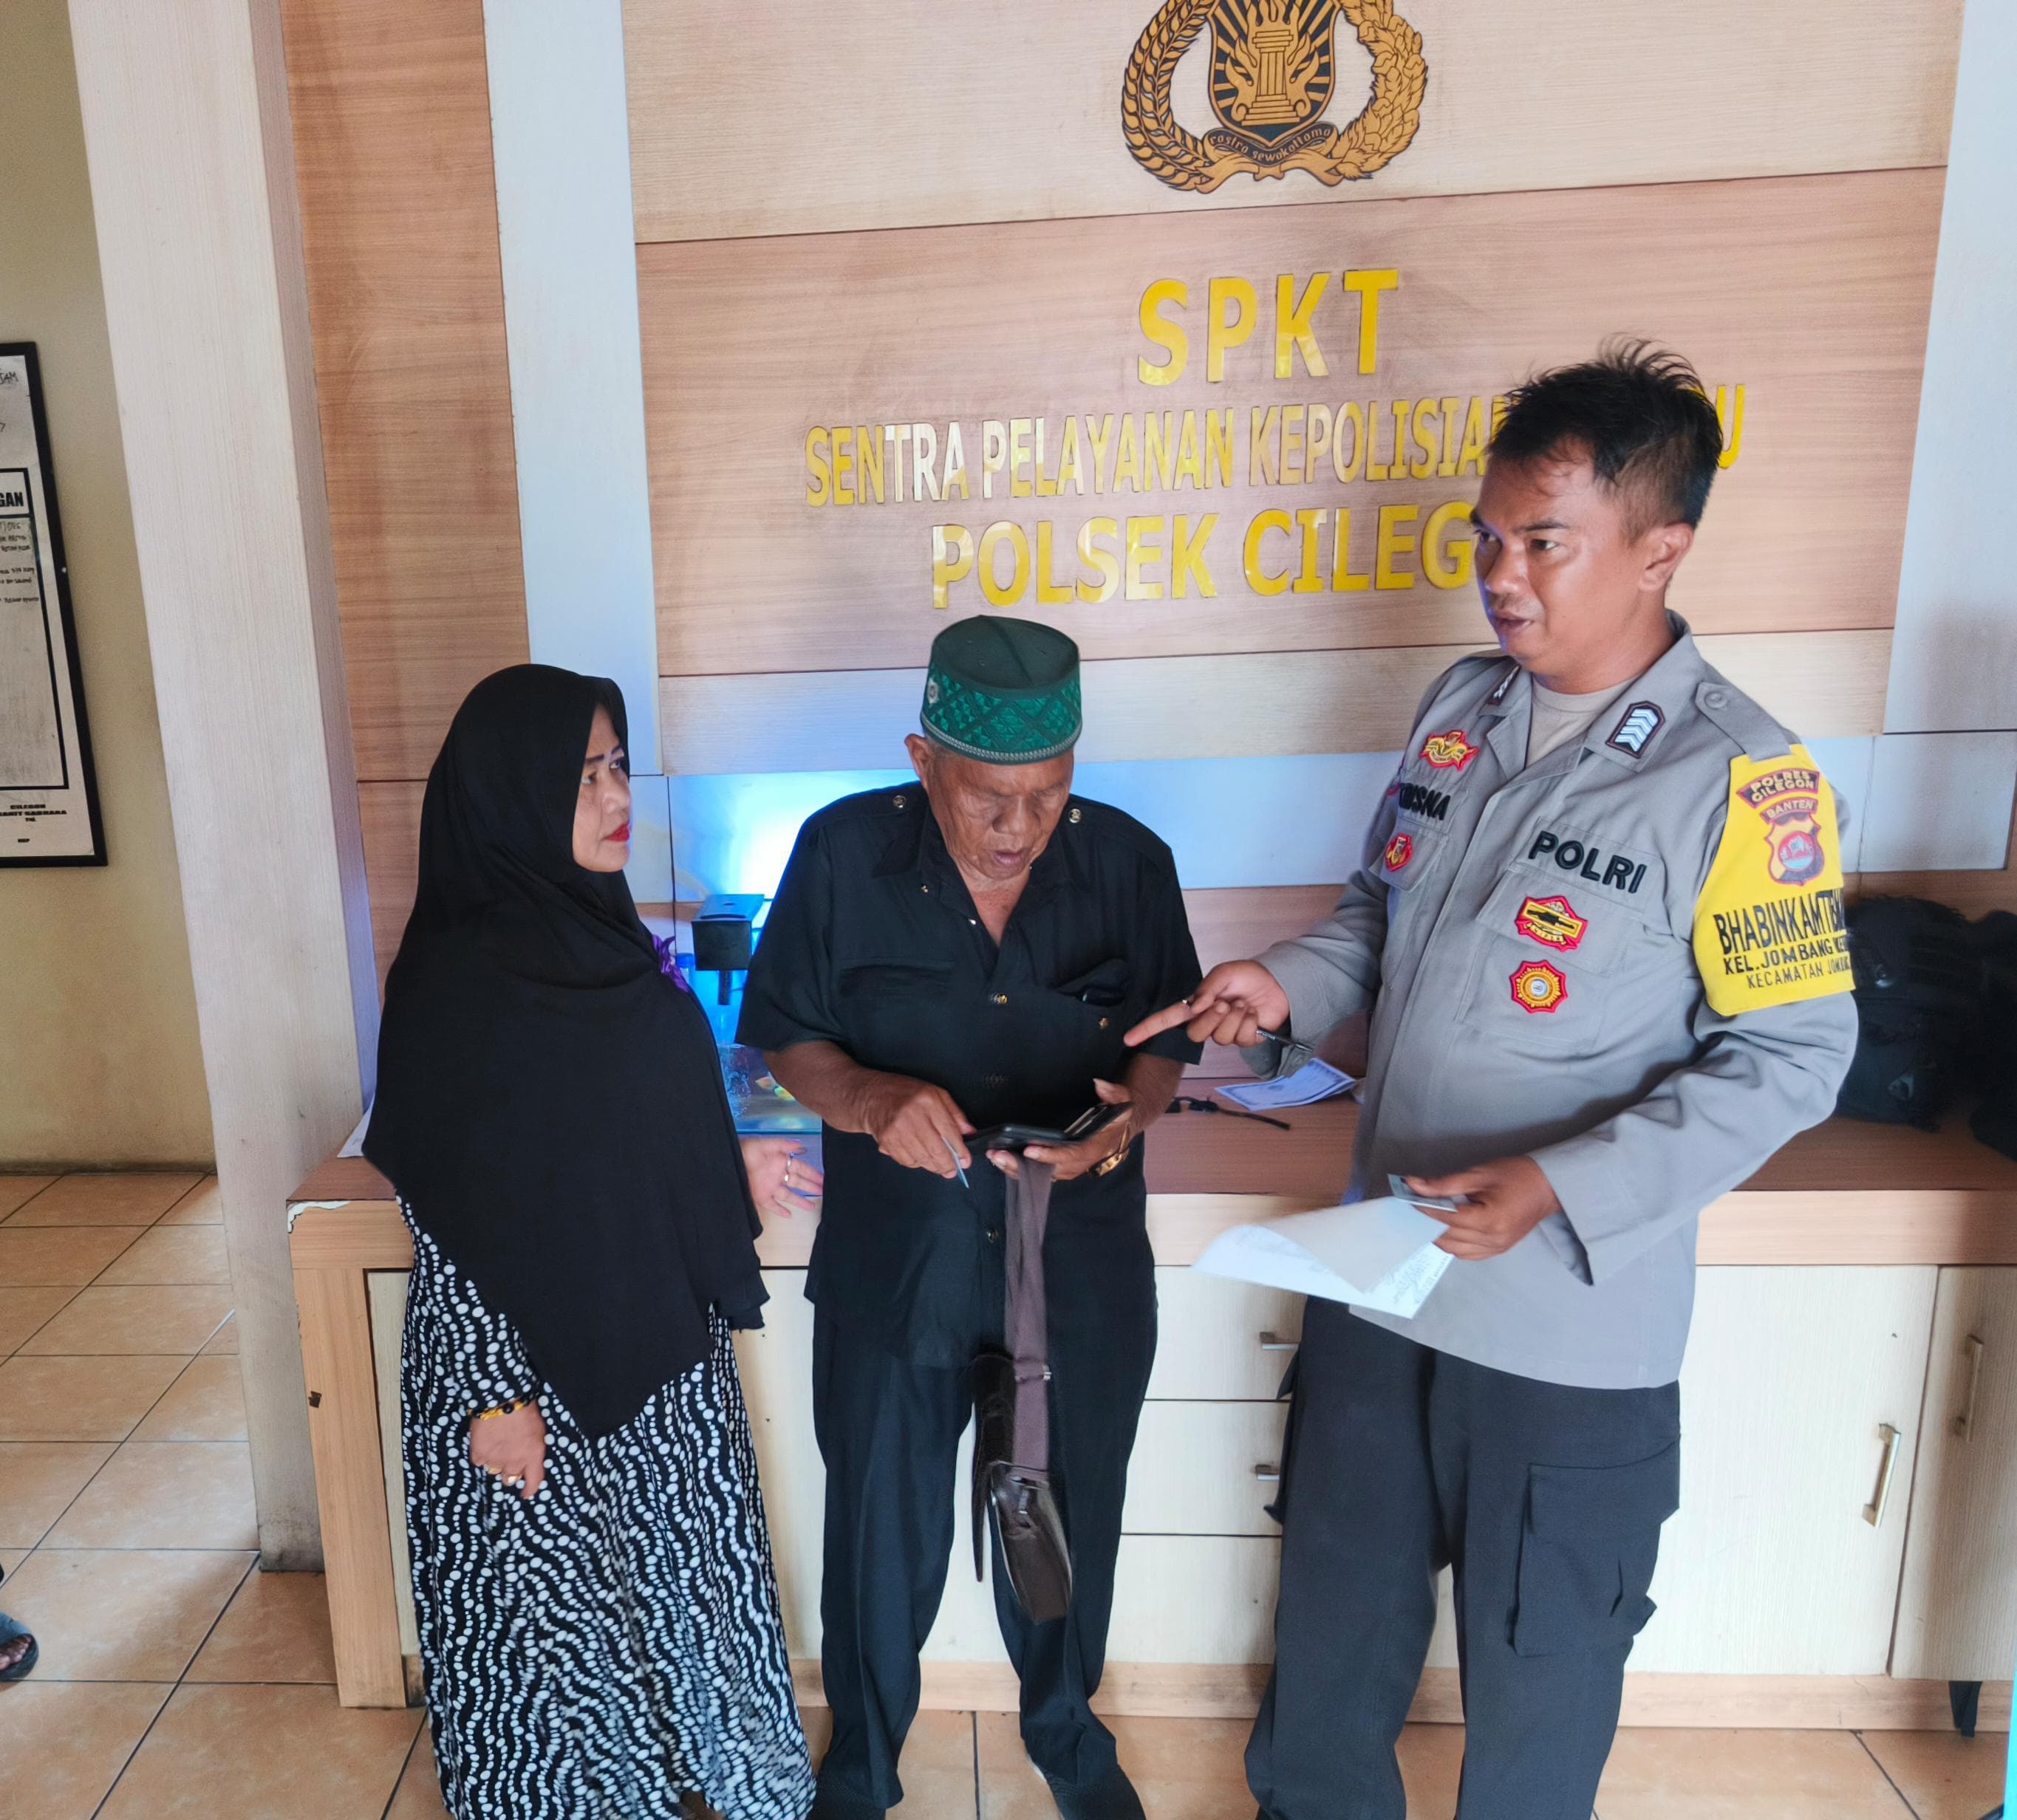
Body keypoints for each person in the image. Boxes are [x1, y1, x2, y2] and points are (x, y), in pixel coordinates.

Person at [1127, 343, 1860, 1820]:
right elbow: (1376, 914)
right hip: (1382, 1275)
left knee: (1541, 1686)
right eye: (1486, 540)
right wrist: (1285, 983)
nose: (1499, 579)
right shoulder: (1463, 708)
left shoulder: (1742, 781)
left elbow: (1795, 1053)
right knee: (1331, 1646)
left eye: (1542, 543)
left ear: (1660, 548)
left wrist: (1560, 1185)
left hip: (1564, 1330)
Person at [737, 617, 1204, 1820]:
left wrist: (1126, 1123)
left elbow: (1164, 1047)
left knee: (1071, 1513)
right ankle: (861, 1763)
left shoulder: (1130, 863)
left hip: (1075, 1259)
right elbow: (786, 1032)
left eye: (1046, 796)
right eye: (988, 798)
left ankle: (1066, 1736)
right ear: (921, 760)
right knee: (878, 1528)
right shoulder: (842, 852)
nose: (1018, 828)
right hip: (904, 1258)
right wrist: (868, 1099)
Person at [365, 665, 817, 1820]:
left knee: (682, 1596)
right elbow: (451, 1211)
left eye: (617, 766)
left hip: (653, 1343)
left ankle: (721, 1786)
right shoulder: (455, 982)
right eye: (582, 776)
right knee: (558, 1639)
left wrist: (722, 1173)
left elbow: (607, 1137)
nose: (617, 796)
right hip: (528, 1377)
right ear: (512, 792)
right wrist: (492, 1397)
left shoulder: (601, 938)